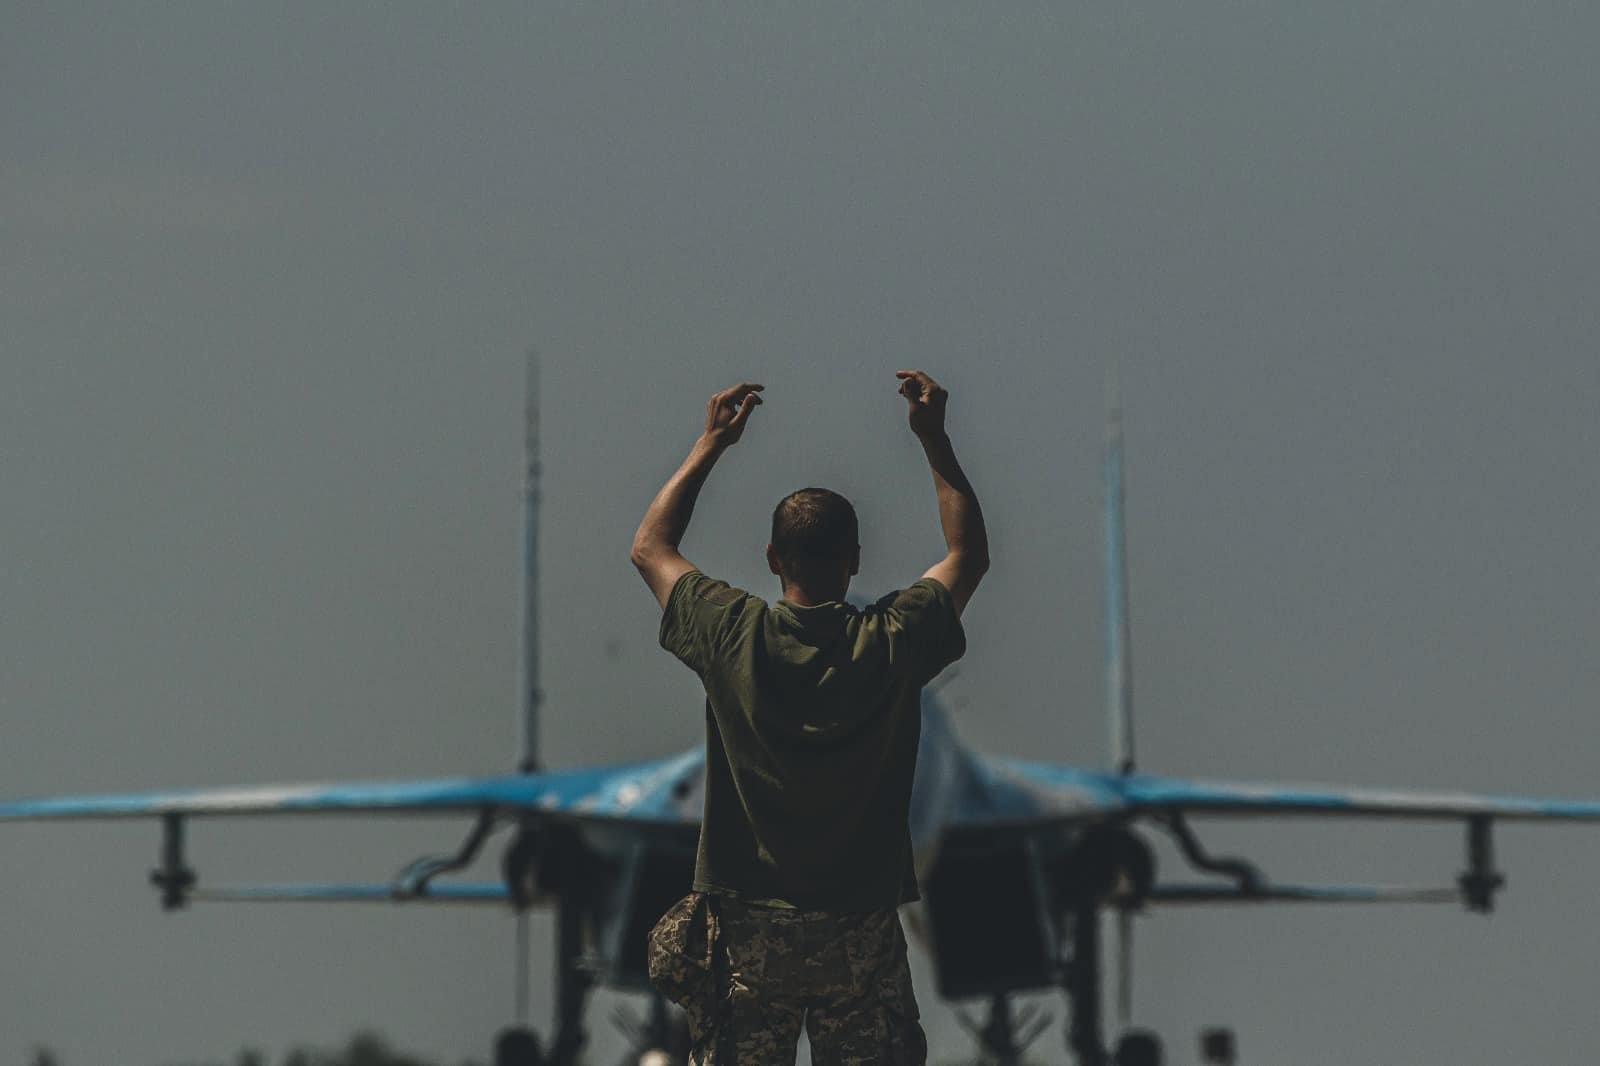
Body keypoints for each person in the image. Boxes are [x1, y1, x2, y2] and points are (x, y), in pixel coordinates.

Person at [630, 371, 989, 1064]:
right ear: (855, 560)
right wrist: (934, 440)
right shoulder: (894, 641)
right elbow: (967, 556)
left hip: (747, 935)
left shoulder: (729, 633)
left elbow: (650, 547)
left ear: (772, 558)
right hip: (860, 933)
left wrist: (711, 443)